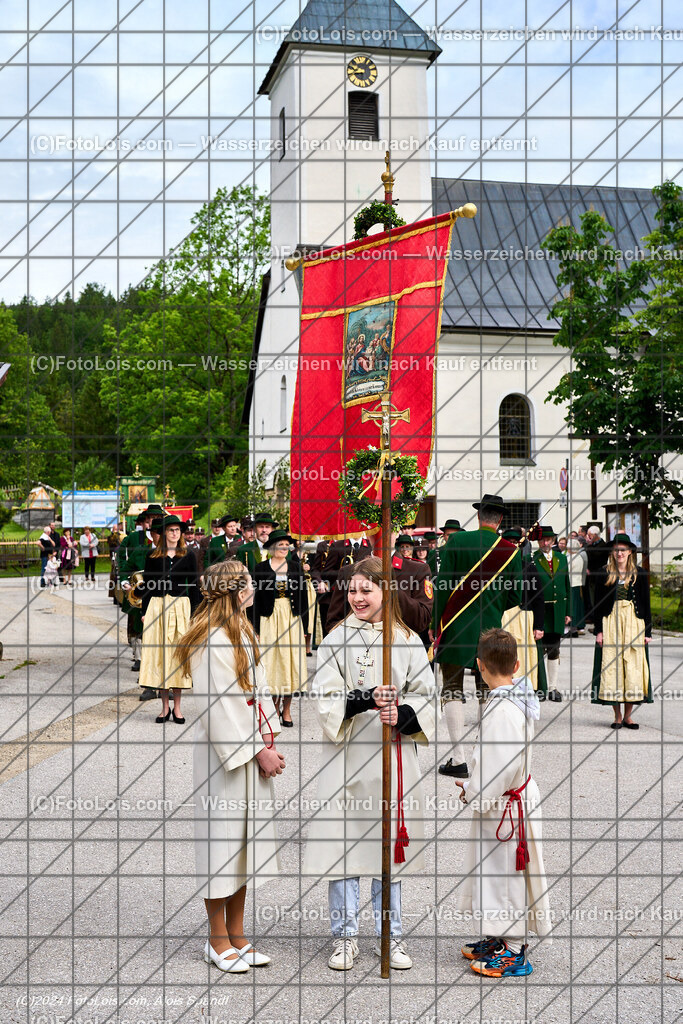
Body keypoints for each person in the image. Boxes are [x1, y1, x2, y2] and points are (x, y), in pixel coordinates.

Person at [303, 556, 436, 972]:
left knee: (388, 852)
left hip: (392, 759)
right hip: (348, 761)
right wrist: (364, 699)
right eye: (353, 590)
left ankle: (389, 936)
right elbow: (324, 698)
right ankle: (344, 938)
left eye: (367, 589)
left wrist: (405, 713)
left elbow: (427, 692)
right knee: (345, 850)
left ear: (386, 591)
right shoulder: (335, 640)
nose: (357, 597)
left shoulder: (408, 640)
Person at [174, 559, 285, 974]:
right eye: (249, 584)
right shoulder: (209, 640)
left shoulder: (241, 631)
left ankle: (238, 933)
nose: (253, 588)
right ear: (238, 591)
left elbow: (259, 689)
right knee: (220, 847)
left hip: (251, 751)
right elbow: (220, 708)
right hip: (225, 759)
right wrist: (259, 750)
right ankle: (216, 940)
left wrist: (269, 738)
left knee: (242, 847)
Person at [455, 628, 551, 977]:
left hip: (505, 806)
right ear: (517, 664)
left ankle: (514, 950)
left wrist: (472, 791)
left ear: (478, 665)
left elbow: (498, 764)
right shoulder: (515, 697)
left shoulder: (502, 710)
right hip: (507, 799)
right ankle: (498, 935)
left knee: (508, 875)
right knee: (492, 872)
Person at [433, 494, 523, 778]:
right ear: (500, 521)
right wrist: (492, 607)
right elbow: (515, 596)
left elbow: (443, 587)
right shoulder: (510, 549)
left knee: (451, 689)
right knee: (489, 691)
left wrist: (437, 623)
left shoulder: (457, 541)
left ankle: (458, 760)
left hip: (456, 627)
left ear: (479, 516)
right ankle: (483, 758)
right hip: (491, 629)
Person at [139, 515, 200, 723]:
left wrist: (196, 613)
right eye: (171, 530)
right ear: (164, 533)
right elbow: (147, 585)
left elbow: (194, 586)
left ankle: (178, 708)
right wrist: (144, 612)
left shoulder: (189, 555)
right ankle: (164, 707)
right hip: (157, 606)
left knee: (178, 655)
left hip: (180, 606)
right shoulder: (153, 556)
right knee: (162, 655)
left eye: (177, 530)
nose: (174, 533)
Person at [591, 534, 652, 728]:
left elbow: (646, 604)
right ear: (612, 552)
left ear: (630, 552)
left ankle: (628, 716)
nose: (619, 553)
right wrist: (599, 631)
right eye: (616, 550)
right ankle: (617, 716)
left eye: (623, 550)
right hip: (611, 622)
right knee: (613, 666)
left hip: (634, 623)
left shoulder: (639, 573)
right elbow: (598, 605)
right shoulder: (603, 573)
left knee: (632, 668)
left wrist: (648, 632)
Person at [253, 529, 308, 728]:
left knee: (288, 662)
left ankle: (286, 710)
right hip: (268, 618)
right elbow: (255, 600)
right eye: (280, 545)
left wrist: (305, 626)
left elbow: (303, 597)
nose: (284, 548)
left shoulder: (295, 566)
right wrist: (255, 628)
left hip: (291, 618)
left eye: (287, 545)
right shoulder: (260, 568)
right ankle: (271, 708)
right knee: (270, 662)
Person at [499, 527, 547, 696]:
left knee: (524, 658)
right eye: (508, 543)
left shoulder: (529, 568)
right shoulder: (496, 568)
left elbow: (539, 598)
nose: (512, 546)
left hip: (524, 618)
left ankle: (524, 693)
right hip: (503, 618)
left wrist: (539, 626)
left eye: (515, 543)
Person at [117, 506, 160, 688]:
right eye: (150, 519)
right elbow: (123, 560)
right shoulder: (136, 540)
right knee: (139, 626)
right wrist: (125, 582)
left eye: (157, 518)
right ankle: (142, 662)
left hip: (161, 595)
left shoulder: (170, 545)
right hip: (139, 591)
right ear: (145, 521)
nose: (152, 522)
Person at [532, 526, 571, 702]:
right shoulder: (532, 559)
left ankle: (553, 687)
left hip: (557, 610)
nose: (545, 543)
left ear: (554, 541)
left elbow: (566, 585)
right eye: (542, 540)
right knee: (539, 650)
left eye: (548, 540)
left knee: (554, 649)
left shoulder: (562, 559)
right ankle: (540, 687)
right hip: (540, 611)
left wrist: (568, 611)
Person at [566, 537, 588, 636]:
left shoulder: (570, 558)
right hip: (578, 583)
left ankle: (573, 626)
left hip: (571, 583)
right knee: (578, 606)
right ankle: (580, 625)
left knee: (573, 606)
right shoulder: (579, 557)